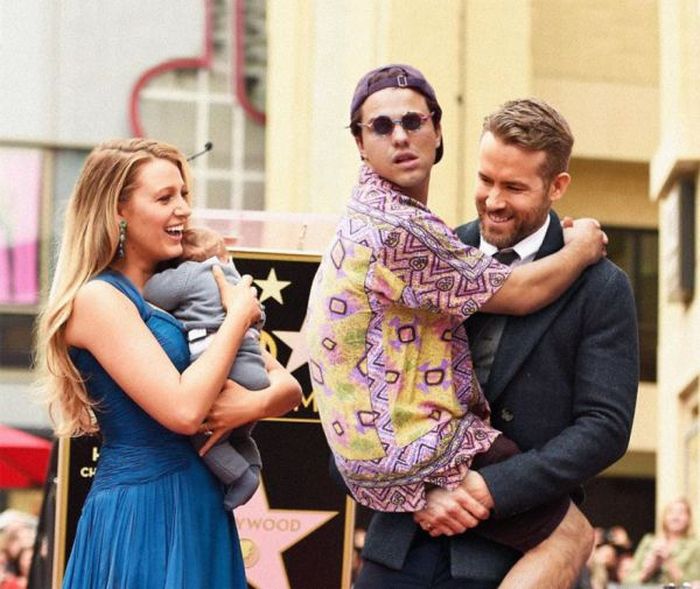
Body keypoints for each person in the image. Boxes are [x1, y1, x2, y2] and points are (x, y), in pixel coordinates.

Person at [305, 64, 609, 589]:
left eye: (412, 121)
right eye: (381, 126)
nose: (400, 136)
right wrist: (582, 248)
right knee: (573, 537)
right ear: (359, 142)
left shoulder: (381, 220)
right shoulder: (403, 229)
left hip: (457, 511)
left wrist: (493, 489)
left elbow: (604, 427)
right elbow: (520, 292)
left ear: (438, 130)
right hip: (402, 533)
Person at [391, 97, 638, 586]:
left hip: (522, 555)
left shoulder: (603, 287)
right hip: (401, 550)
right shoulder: (429, 254)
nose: (494, 200)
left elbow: (605, 427)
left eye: (514, 187)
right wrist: (419, 490)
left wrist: (492, 488)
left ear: (557, 186)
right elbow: (367, 392)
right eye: (485, 180)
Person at [36, 138, 301, 588]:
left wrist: (251, 405)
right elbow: (184, 411)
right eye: (164, 198)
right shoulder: (98, 298)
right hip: (144, 512)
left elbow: (288, 388)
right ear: (118, 211)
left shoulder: (183, 288)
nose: (183, 209)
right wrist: (237, 316)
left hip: (201, 504)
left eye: (184, 194)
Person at [144, 226, 268, 510]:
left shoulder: (192, 273)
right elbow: (259, 316)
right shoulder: (237, 283)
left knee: (205, 435)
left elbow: (152, 292)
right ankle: (252, 467)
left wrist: (161, 272)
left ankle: (239, 477)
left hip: (225, 375)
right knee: (239, 434)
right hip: (255, 370)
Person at [623, 498, 700, 585]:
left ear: (689, 519)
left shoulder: (695, 546)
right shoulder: (649, 541)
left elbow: (694, 583)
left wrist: (668, 560)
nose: (675, 517)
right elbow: (627, 581)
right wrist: (649, 570)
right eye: (671, 512)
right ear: (664, 517)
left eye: (681, 512)